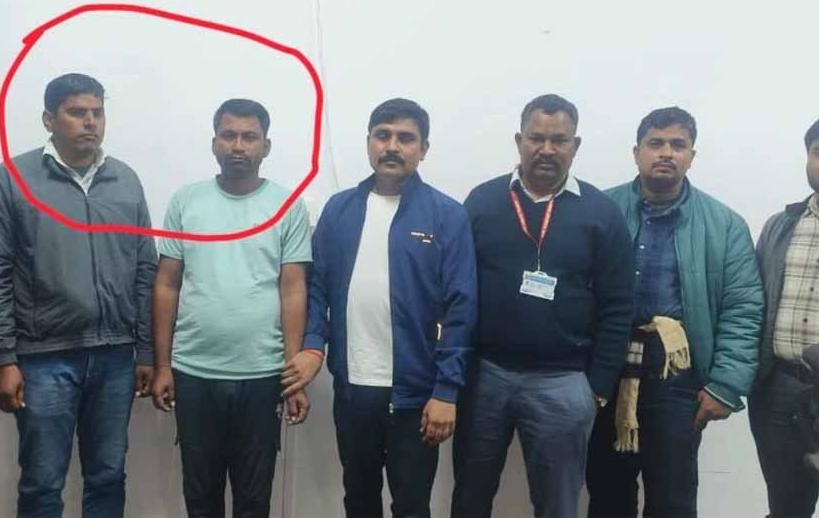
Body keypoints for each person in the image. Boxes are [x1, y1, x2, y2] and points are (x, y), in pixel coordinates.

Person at [282, 98, 476, 518]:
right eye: (382, 135)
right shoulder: (339, 210)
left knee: (411, 505)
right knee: (358, 499)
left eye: (406, 138)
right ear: (369, 141)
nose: (392, 146)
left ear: (423, 149)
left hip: (415, 392)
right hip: (353, 389)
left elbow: (461, 309)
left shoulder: (446, 215)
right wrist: (313, 344)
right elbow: (317, 289)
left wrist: (447, 390)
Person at [0, 73, 157, 518]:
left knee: (108, 476)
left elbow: (145, 268)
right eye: (77, 112)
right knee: (42, 484)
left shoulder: (125, 180)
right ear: (49, 119)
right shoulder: (13, 178)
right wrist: (2, 358)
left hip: (115, 356)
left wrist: (147, 351)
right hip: (43, 358)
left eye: (97, 112)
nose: (90, 122)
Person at [451, 94, 634, 518]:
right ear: (519, 141)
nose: (547, 149)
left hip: (563, 382)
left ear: (575, 145)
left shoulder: (601, 213)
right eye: (536, 138)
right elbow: (455, 290)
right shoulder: (482, 202)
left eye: (559, 140)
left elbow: (618, 305)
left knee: (557, 505)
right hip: (486, 377)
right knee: (470, 497)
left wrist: (597, 388)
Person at [587, 106, 763, 518]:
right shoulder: (600, 210)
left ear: (691, 156)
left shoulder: (724, 225)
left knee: (673, 497)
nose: (666, 153)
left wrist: (725, 385)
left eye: (678, 145)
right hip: (606, 368)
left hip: (678, 376)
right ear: (636, 152)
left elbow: (743, 308)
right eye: (655, 143)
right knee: (607, 491)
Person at [150, 98, 312, 518]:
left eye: (249, 137)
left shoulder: (288, 206)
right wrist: (163, 365)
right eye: (228, 135)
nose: (238, 145)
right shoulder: (186, 201)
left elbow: (293, 290)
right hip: (194, 372)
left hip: (262, 374)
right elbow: (166, 284)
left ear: (266, 146)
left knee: (254, 500)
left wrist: (293, 376)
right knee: (200, 497)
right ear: (214, 143)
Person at [752, 117, 819, 518]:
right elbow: (752, 303)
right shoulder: (780, 226)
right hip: (781, 389)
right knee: (787, 508)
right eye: (818, 152)